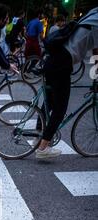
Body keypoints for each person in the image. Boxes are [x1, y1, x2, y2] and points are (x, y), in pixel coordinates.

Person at [36, 7, 98, 159]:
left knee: (49, 103)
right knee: (60, 109)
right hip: (62, 64)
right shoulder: (96, 26)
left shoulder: (89, 18)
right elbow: (97, 55)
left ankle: (38, 138)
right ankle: (43, 148)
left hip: (53, 60)